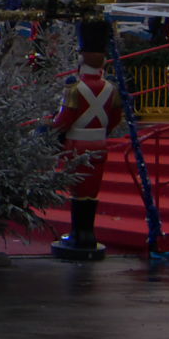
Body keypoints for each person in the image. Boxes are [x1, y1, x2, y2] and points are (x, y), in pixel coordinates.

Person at [50, 19, 122, 261]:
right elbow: (113, 120)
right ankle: (87, 233)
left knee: (78, 190)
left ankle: (78, 233)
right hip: (99, 144)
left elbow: (64, 120)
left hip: (76, 145)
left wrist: (48, 129)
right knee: (92, 190)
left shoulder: (74, 89)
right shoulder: (112, 89)